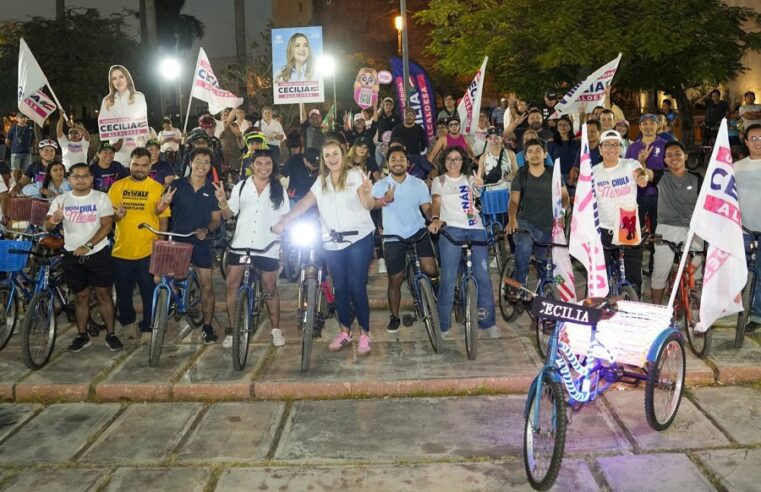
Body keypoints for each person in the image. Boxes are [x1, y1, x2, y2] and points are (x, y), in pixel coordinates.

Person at [273, 139, 376, 354]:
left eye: (335, 153)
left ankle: (365, 334)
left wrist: (367, 192)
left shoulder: (356, 176)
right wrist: (286, 219)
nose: (331, 158)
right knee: (341, 288)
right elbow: (303, 203)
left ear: (343, 154)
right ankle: (344, 332)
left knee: (357, 287)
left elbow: (368, 205)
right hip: (332, 242)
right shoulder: (321, 182)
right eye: (327, 155)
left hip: (359, 238)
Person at [215, 148, 290, 347]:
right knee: (231, 284)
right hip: (241, 245)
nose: (263, 167)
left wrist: (282, 227)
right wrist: (223, 201)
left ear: (273, 167)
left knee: (270, 288)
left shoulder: (278, 189)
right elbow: (228, 214)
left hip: (267, 245)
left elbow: (286, 216)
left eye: (268, 164)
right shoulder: (241, 187)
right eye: (259, 164)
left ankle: (275, 329)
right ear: (252, 166)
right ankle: (232, 330)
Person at [45, 162, 122, 352]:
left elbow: (106, 226)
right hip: (72, 255)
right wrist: (54, 220)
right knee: (80, 297)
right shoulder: (61, 200)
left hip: (98, 254)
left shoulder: (101, 198)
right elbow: (47, 225)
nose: (81, 180)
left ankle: (111, 334)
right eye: (76, 176)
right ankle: (82, 335)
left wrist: (88, 246)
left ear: (91, 179)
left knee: (104, 295)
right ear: (69, 179)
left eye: (85, 176)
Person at [428, 146, 499, 339]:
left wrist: (478, 184)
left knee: (483, 277)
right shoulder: (439, 181)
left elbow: (477, 192)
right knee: (449, 279)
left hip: (475, 228)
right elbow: (436, 202)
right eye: (449, 159)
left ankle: (488, 321)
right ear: (444, 162)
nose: (453, 162)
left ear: (463, 161)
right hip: (450, 229)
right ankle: (444, 325)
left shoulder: (469, 179)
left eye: (457, 159)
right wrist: (435, 219)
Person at [108, 147, 172, 342]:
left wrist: (159, 245)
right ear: (130, 163)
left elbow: (163, 219)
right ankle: (127, 323)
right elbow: (108, 217)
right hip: (121, 250)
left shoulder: (157, 188)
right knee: (123, 293)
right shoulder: (117, 187)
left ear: (150, 166)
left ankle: (148, 327)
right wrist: (115, 216)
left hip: (148, 251)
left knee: (148, 292)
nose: (139, 169)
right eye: (135, 164)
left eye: (144, 165)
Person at [372, 146, 437, 333]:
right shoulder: (381, 185)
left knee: (431, 269)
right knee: (395, 280)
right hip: (393, 236)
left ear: (408, 163)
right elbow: (371, 205)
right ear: (388, 163)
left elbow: (426, 207)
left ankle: (436, 296)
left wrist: (433, 219)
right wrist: (384, 199)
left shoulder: (418, 183)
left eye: (402, 158)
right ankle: (394, 316)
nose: (398, 161)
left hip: (417, 231)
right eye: (393, 159)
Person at [168, 147, 221, 343]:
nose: (201, 165)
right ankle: (176, 300)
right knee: (162, 280)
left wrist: (206, 229)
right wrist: (163, 203)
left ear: (210, 167)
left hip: (201, 243)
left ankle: (207, 327)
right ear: (190, 162)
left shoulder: (212, 190)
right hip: (178, 241)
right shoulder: (177, 184)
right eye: (198, 161)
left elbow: (216, 220)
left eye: (206, 162)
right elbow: (160, 209)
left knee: (207, 286)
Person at [592, 130, 653, 296]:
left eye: (615, 144)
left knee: (633, 277)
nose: (611, 148)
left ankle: (634, 307)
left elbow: (642, 173)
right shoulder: (593, 172)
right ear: (600, 149)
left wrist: (642, 177)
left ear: (621, 148)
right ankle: (601, 310)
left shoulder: (630, 164)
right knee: (599, 277)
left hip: (628, 226)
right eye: (607, 144)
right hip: (603, 229)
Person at [508, 139, 569, 291]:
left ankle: (546, 293)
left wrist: (562, 213)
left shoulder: (553, 173)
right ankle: (519, 285)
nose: (534, 154)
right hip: (525, 224)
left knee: (549, 269)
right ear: (525, 157)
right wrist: (511, 219)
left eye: (538, 151)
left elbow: (565, 197)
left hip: (549, 227)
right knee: (524, 246)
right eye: (530, 151)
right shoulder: (521, 175)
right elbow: (513, 201)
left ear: (545, 154)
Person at [650, 141, 702, 305]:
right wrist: (642, 164)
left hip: (693, 229)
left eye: (678, 154)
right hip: (664, 229)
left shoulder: (697, 178)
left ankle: (695, 315)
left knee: (696, 274)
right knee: (659, 272)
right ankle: (656, 311)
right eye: (669, 155)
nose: (674, 158)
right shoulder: (660, 176)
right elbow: (646, 174)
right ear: (665, 160)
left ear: (685, 156)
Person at [735, 124, 761, 331]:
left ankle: (757, 315)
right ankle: (742, 310)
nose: (757, 142)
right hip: (743, 229)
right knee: (742, 274)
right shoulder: (736, 167)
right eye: (753, 138)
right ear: (746, 141)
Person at [626, 113, 667, 241]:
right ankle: (636, 253)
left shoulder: (665, 145)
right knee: (635, 229)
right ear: (639, 127)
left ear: (658, 126)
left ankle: (657, 258)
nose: (648, 126)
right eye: (644, 123)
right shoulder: (633, 147)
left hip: (659, 195)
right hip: (638, 195)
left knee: (659, 230)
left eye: (652, 123)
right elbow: (627, 170)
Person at [5, 112, 35, 183]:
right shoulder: (13, 128)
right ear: (17, 119)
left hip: (27, 153)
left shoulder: (30, 128)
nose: (24, 119)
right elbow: (7, 141)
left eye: (25, 118)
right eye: (22, 118)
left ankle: (24, 185)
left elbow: (34, 140)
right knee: (16, 170)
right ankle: (15, 184)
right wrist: (12, 148)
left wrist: (31, 147)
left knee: (26, 170)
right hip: (16, 152)